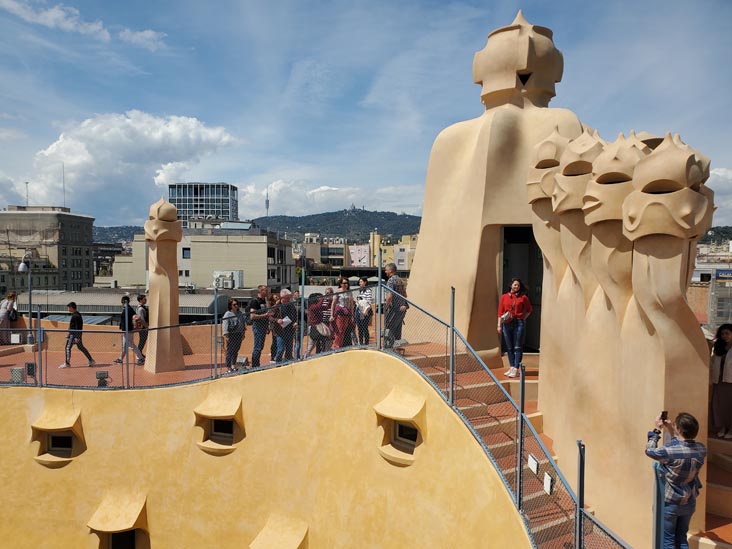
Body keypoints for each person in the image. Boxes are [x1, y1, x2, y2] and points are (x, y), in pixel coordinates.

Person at [645, 412, 706, 549]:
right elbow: (682, 446)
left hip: (670, 503)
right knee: (681, 538)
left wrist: (657, 430)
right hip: (689, 502)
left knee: (668, 541)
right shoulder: (702, 449)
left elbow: (650, 450)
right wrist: (671, 429)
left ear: (679, 429)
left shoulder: (669, 451)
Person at [497, 278, 532, 378]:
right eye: (515, 285)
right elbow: (500, 312)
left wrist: (523, 318)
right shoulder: (504, 297)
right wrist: (499, 325)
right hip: (507, 323)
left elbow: (529, 309)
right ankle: (512, 367)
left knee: (517, 346)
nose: (516, 287)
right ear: (511, 285)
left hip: (518, 323)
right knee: (509, 346)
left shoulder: (523, 297)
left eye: (518, 285)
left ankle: (516, 368)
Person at [710, 324, 732, 439]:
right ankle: (722, 427)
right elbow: (712, 363)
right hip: (719, 381)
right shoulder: (717, 346)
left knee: (730, 407)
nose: (724, 336)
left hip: (731, 382)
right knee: (719, 407)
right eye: (722, 334)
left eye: (727, 333)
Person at [58, 302, 96, 368]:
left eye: (69, 307)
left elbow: (77, 327)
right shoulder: (76, 314)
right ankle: (91, 360)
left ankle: (67, 363)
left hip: (74, 335)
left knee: (67, 348)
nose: (68, 309)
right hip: (74, 334)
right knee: (80, 347)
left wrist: (76, 337)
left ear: (72, 307)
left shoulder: (76, 316)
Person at [114, 295, 145, 365]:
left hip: (128, 330)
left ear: (123, 302)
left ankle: (140, 358)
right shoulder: (128, 308)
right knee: (125, 345)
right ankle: (120, 359)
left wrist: (125, 329)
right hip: (127, 330)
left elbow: (133, 318)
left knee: (130, 345)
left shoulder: (127, 309)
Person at [384, 263, 408, 348]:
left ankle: (389, 349)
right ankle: (396, 350)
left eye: (386, 270)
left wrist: (385, 307)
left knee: (389, 330)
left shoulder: (390, 281)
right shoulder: (401, 280)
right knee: (398, 330)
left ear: (390, 271)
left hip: (393, 309)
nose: (385, 271)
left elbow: (389, 296)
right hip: (401, 310)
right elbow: (405, 295)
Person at [249, 285, 273, 368]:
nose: (267, 292)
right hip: (258, 327)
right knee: (257, 347)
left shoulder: (264, 301)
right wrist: (265, 315)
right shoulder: (255, 301)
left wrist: (267, 326)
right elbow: (252, 316)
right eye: (265, 291)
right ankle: (255, 365)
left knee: (260, 346)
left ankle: (257, 364)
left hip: (264, 326)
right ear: (260, 291)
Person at [273, 289, 297, 362]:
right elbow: (270, 317)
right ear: (282, 297)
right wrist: (277, 320)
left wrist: (295, 322)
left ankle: (287, 362)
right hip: (280, 331)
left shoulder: (291, 305)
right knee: (280, 349)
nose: (288, 299)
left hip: (290, 330)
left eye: (289, 297)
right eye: (287, 298)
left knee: (289, 349)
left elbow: (294, 316)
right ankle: (278, 364)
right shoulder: (277, 306)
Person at [222, 298, 245, 372]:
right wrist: (226, 335)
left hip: (239, 334)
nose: (236, 306)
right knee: (230, 351)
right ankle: (228, 367)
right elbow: (225, 325)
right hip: (231, 334)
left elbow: (242, 323)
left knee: (236, 350)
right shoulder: (227, 314)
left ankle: (234, 365)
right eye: (234, 304)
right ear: (230, 306)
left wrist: (243, 332)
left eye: (237, 304)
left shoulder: (240, 313)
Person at [331, 278, 355, 349]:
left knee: (343, 331)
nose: (345, 284)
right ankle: (335, 346)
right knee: (339, 330)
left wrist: (352, 315)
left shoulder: (349, 292)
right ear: (340, 284)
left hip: (346, 313)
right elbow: (333, 303)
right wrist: (331, 315)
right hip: (339, 313)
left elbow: (351, 304)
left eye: (346, 283)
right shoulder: (337, 291)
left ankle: (340, 345)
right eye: (344, 283)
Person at [355, 277, 373, 345]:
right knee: (359, 328)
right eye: (359, 282)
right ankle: (361, 343)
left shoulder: (368, 290)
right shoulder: (361, 290)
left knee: (364, 327)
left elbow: (369, 302)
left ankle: (366, 343)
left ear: (365, 282)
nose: (360, 283)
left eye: (361, 282)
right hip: (358, 310)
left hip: (364, 311)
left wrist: (366, 311)